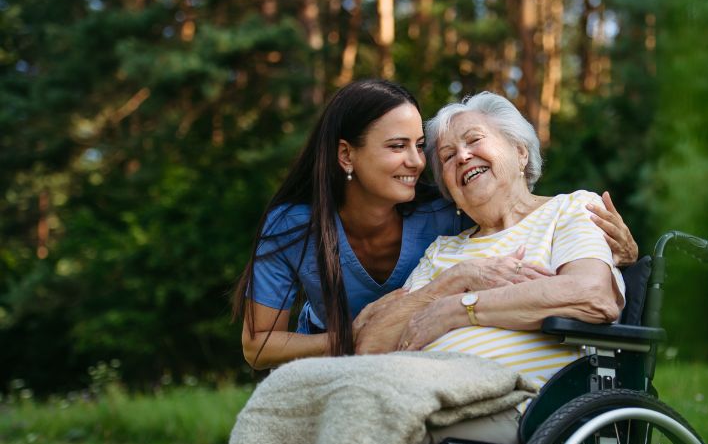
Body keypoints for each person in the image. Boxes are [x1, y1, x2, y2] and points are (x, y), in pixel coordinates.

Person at [231, 80, 637, 444]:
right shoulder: (445, 248)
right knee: (304, 406)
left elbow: (593, 295)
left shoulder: (569, 210)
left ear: (520, 153)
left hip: (520, 401)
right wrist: (451, 284)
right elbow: (370, 342)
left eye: (474, 141)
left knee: (365, 417)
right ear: (449, 196)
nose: (458, 157)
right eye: (446, 155)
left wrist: (461, 309)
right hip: (421, 392)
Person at [233, 79, 637, 370]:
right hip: (354, 363)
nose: (418, 162)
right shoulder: (296, 228)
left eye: (420, 147)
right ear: (346, 156)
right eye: (398, 147)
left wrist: (622, 256)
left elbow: (516, 202)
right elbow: (262, 346)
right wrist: (450, 286)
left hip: (446, 384)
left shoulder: (447, 215)